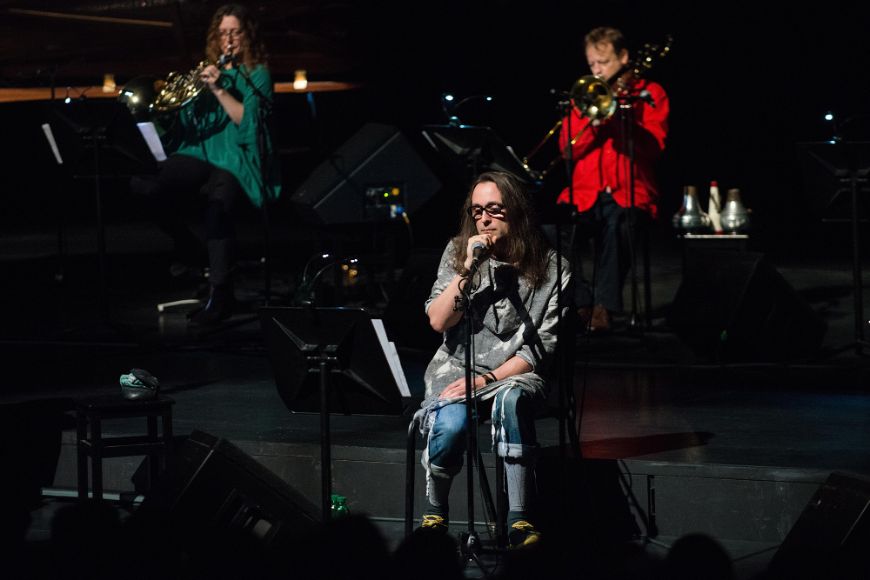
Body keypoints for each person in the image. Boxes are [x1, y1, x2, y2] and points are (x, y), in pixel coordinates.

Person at [415, 171, 570, 548]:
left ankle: (519, 520)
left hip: (514, 372)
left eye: (494, 210)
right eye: (477, 211)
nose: (484, 219)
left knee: (511, 402)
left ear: (515, 212)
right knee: (450, 422)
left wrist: (486, 381)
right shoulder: (458, 252)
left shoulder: (552, 267)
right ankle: (435, 511)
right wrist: (466, 269)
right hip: (457, 366)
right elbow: (437, 320)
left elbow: (539, 348)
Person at [132, 3, 280, 326]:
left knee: (219, 206)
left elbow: (248, 124)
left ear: (247, 35)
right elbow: (187, 126)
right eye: (223, 33)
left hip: (237, 158)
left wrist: (217, 89)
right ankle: (192, 251)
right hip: (203, 153)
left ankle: (220, 294)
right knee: (148, 187)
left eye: (235, 33)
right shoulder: (205, 71)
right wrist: (167, 115)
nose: (228, 39)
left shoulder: (258, 75)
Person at [557, 26, 668, 332]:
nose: (597, 71)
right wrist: (594, 121)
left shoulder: (650, 93)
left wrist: (623, 118)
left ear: (623, 57)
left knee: (621, 223)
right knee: (555, 231)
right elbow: (567, 149)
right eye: (592, 64)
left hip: (630, 194)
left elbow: (655, 148)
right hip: (584, 193)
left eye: (603, 63)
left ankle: (604, 308)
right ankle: (582, 303)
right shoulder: (586, 96)